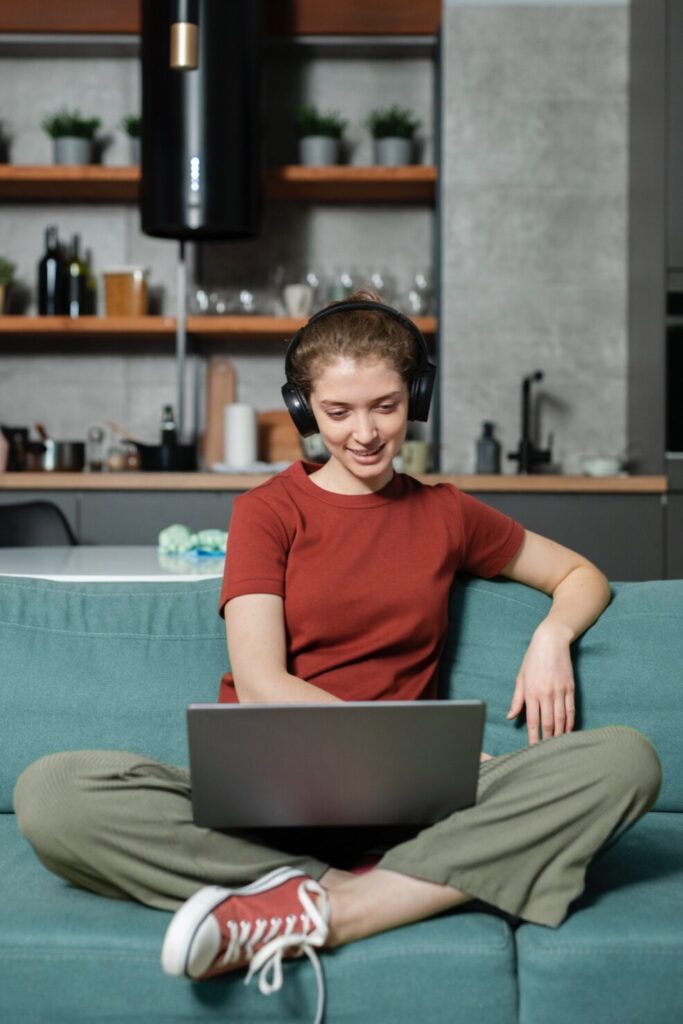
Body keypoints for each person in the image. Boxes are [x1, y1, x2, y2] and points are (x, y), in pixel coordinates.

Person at [14, 291, 662, 1024]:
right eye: (338, 412)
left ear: (414, 397)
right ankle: (387, 888)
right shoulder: (267, 512)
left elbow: (581, 576)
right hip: (269, 802)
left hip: (416, 809)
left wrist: (551, 637)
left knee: (623, 761)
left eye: (384, 406)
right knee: (53, 791)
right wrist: (406, 752)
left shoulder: (447, 513)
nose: (364, 433)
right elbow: (262, 682)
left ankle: (329, 909)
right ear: (305, 410)